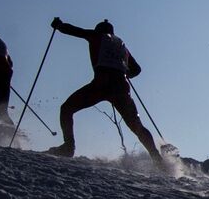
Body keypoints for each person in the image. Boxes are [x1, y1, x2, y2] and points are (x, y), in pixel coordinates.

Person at [46, 17, 163, 164]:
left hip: (101, 84)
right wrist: (125, 73)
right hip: (122, 87)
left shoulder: (96, 35)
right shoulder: (121, 46)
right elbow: (137, 69)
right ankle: (157, 158)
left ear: (98, 30)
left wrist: (60, 25)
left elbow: (76, 31)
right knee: (137, 125)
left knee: (67, 109)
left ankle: (68, 147)